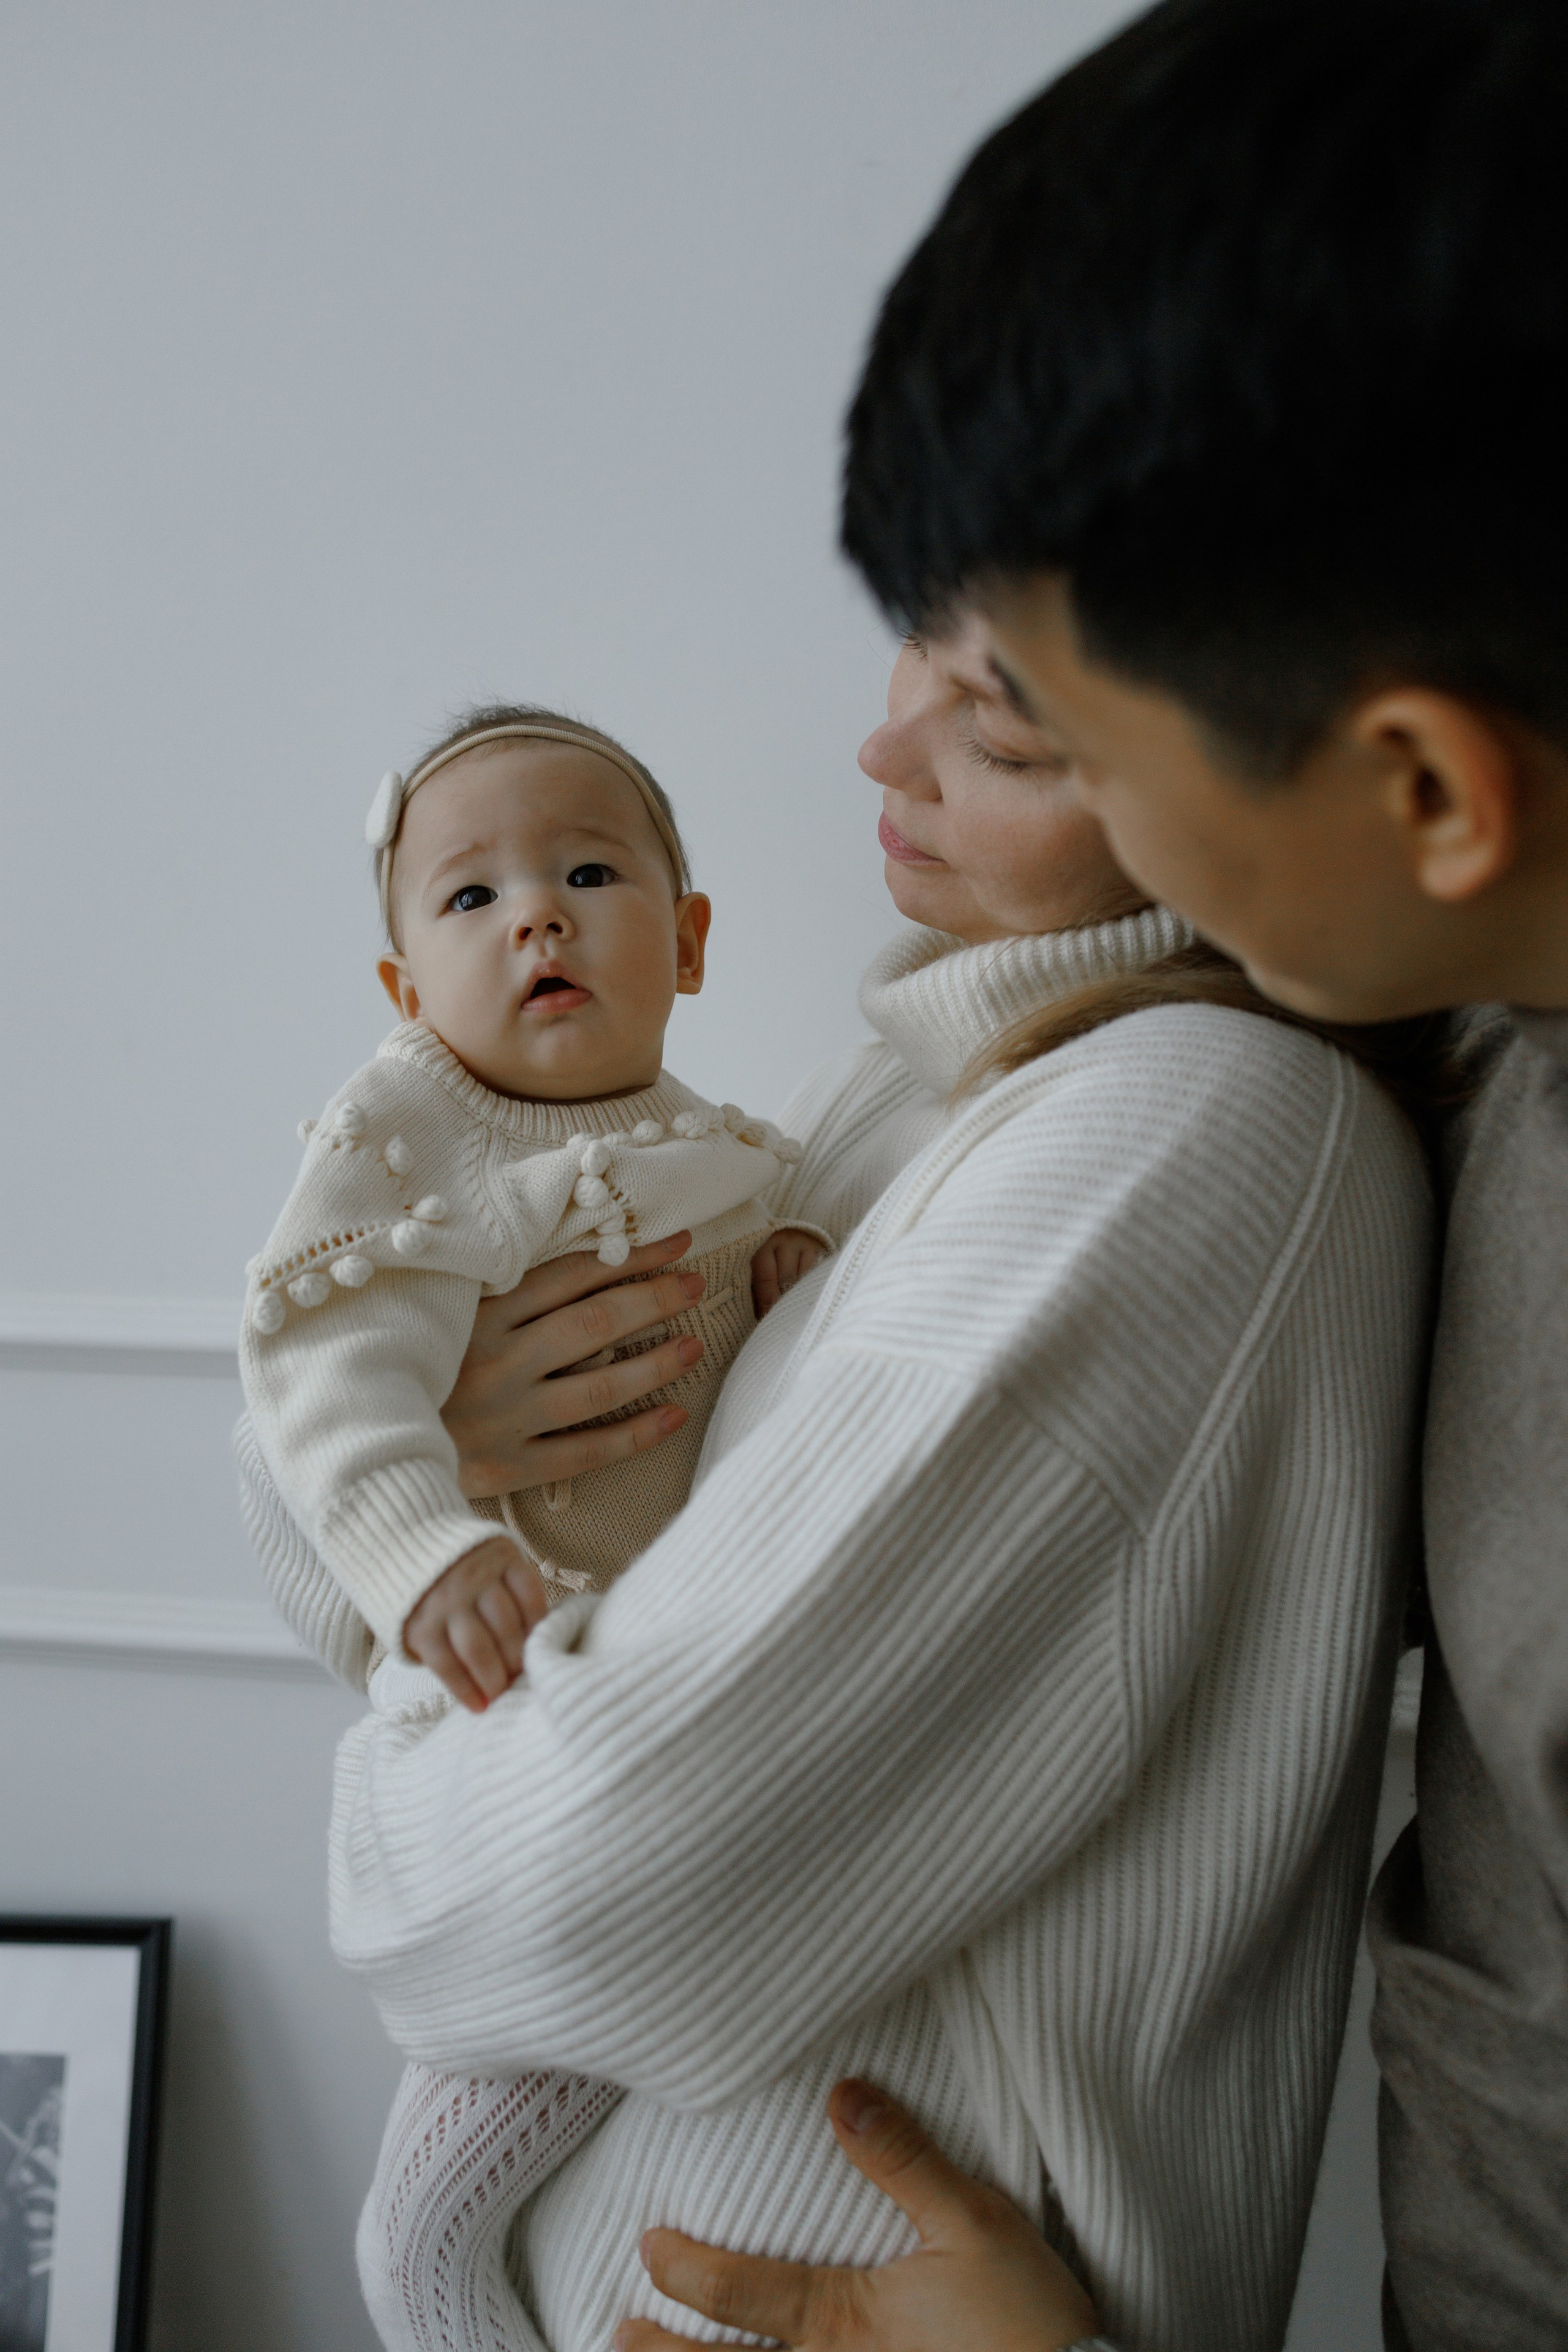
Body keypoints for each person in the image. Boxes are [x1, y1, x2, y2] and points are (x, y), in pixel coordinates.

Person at [243, 631, 1435, 2350]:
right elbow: (328, 1513)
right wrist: (441, 1459)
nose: (884, 759)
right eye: (919, 648)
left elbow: (602, 1891)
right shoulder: (904, 1092)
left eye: (1003, 733)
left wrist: (383, 1805)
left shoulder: (1185, 1130)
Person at [735, 0, 1565, 2345]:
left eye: (1059, 731)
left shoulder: (1286, 1113)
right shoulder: (1440, 1013)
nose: (940, 764)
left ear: (1425, 791)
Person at [238, 699, 824, 2347]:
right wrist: (425, 1550)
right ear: (406, 988)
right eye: (471, 897)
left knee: (596, 2146)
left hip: (656, 1702)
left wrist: (796, 1294)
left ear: (691, 941)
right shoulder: (411, 1130)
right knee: (425, 2234)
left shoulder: (734, 1157)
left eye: (586, 872)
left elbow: (776, 1384)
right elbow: (316, 1352)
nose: (539, 918)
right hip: (494, 1682)